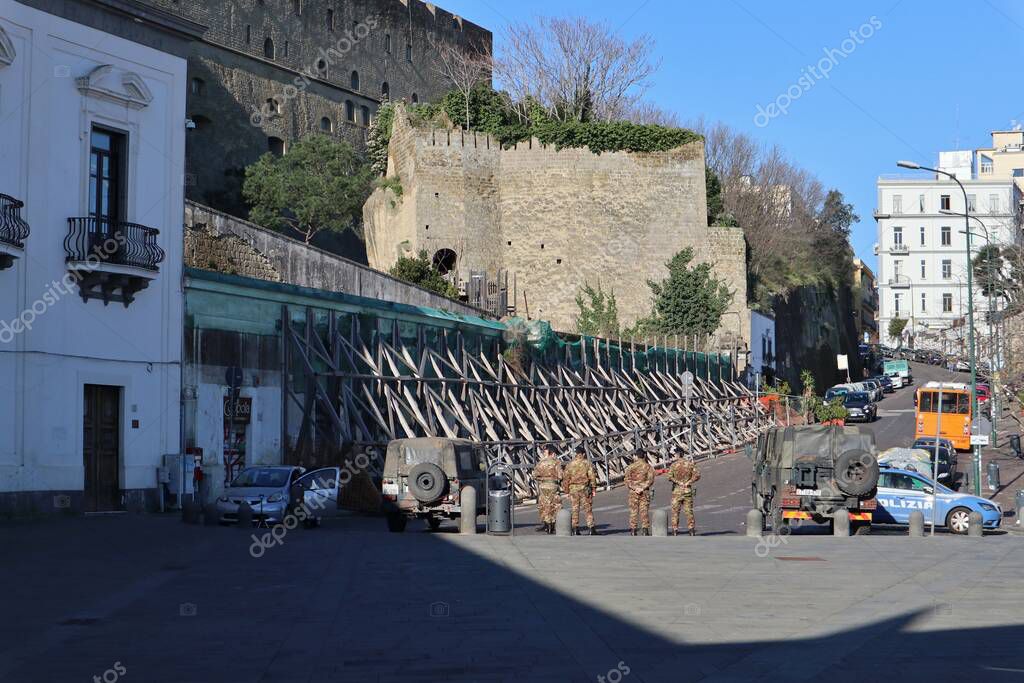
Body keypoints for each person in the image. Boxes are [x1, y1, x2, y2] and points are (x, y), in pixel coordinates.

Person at [562, 444, 599, 535]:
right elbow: (592, 477)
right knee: (588, 509)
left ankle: (575, 528)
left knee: (575, 509)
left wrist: (566, 492)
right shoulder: (587, 463)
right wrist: (594, 488)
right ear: (583, 454)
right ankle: (591, 528)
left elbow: (566, 479)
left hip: (573, 489)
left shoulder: (570, 465)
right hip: (584, 489)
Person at [667, 450, 701, 536]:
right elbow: (697, 475)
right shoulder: (689, 464)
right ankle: (691, 530)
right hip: (687, 490)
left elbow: (669, 477)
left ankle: (675, 530)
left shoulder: (673, 465)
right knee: (689, 511)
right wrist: (689, 482)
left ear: (678, 455)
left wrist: (678, 482)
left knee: (675, 512)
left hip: (677, 491)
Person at [531, 445, 563, 534]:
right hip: (553, 485)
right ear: (552, 453)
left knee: (544, 505)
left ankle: (546, 524)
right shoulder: (556, 462)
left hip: (543, 485)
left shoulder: (541, 463)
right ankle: (553, 525)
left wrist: (542, 479)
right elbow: (560, 476)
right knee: (555, 505)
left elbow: (534, 475)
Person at [624, 453, 655, 536]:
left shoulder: (631, 467)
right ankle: (645, 530)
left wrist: (634, 488)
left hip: (633, 492)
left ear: (636, 456)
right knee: (644, 511)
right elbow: (650, 480)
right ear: (644, 456)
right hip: (644, 492)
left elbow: (627, 480)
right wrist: (642, 487)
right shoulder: (648, 467)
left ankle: (633, 530)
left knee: (633, 512)